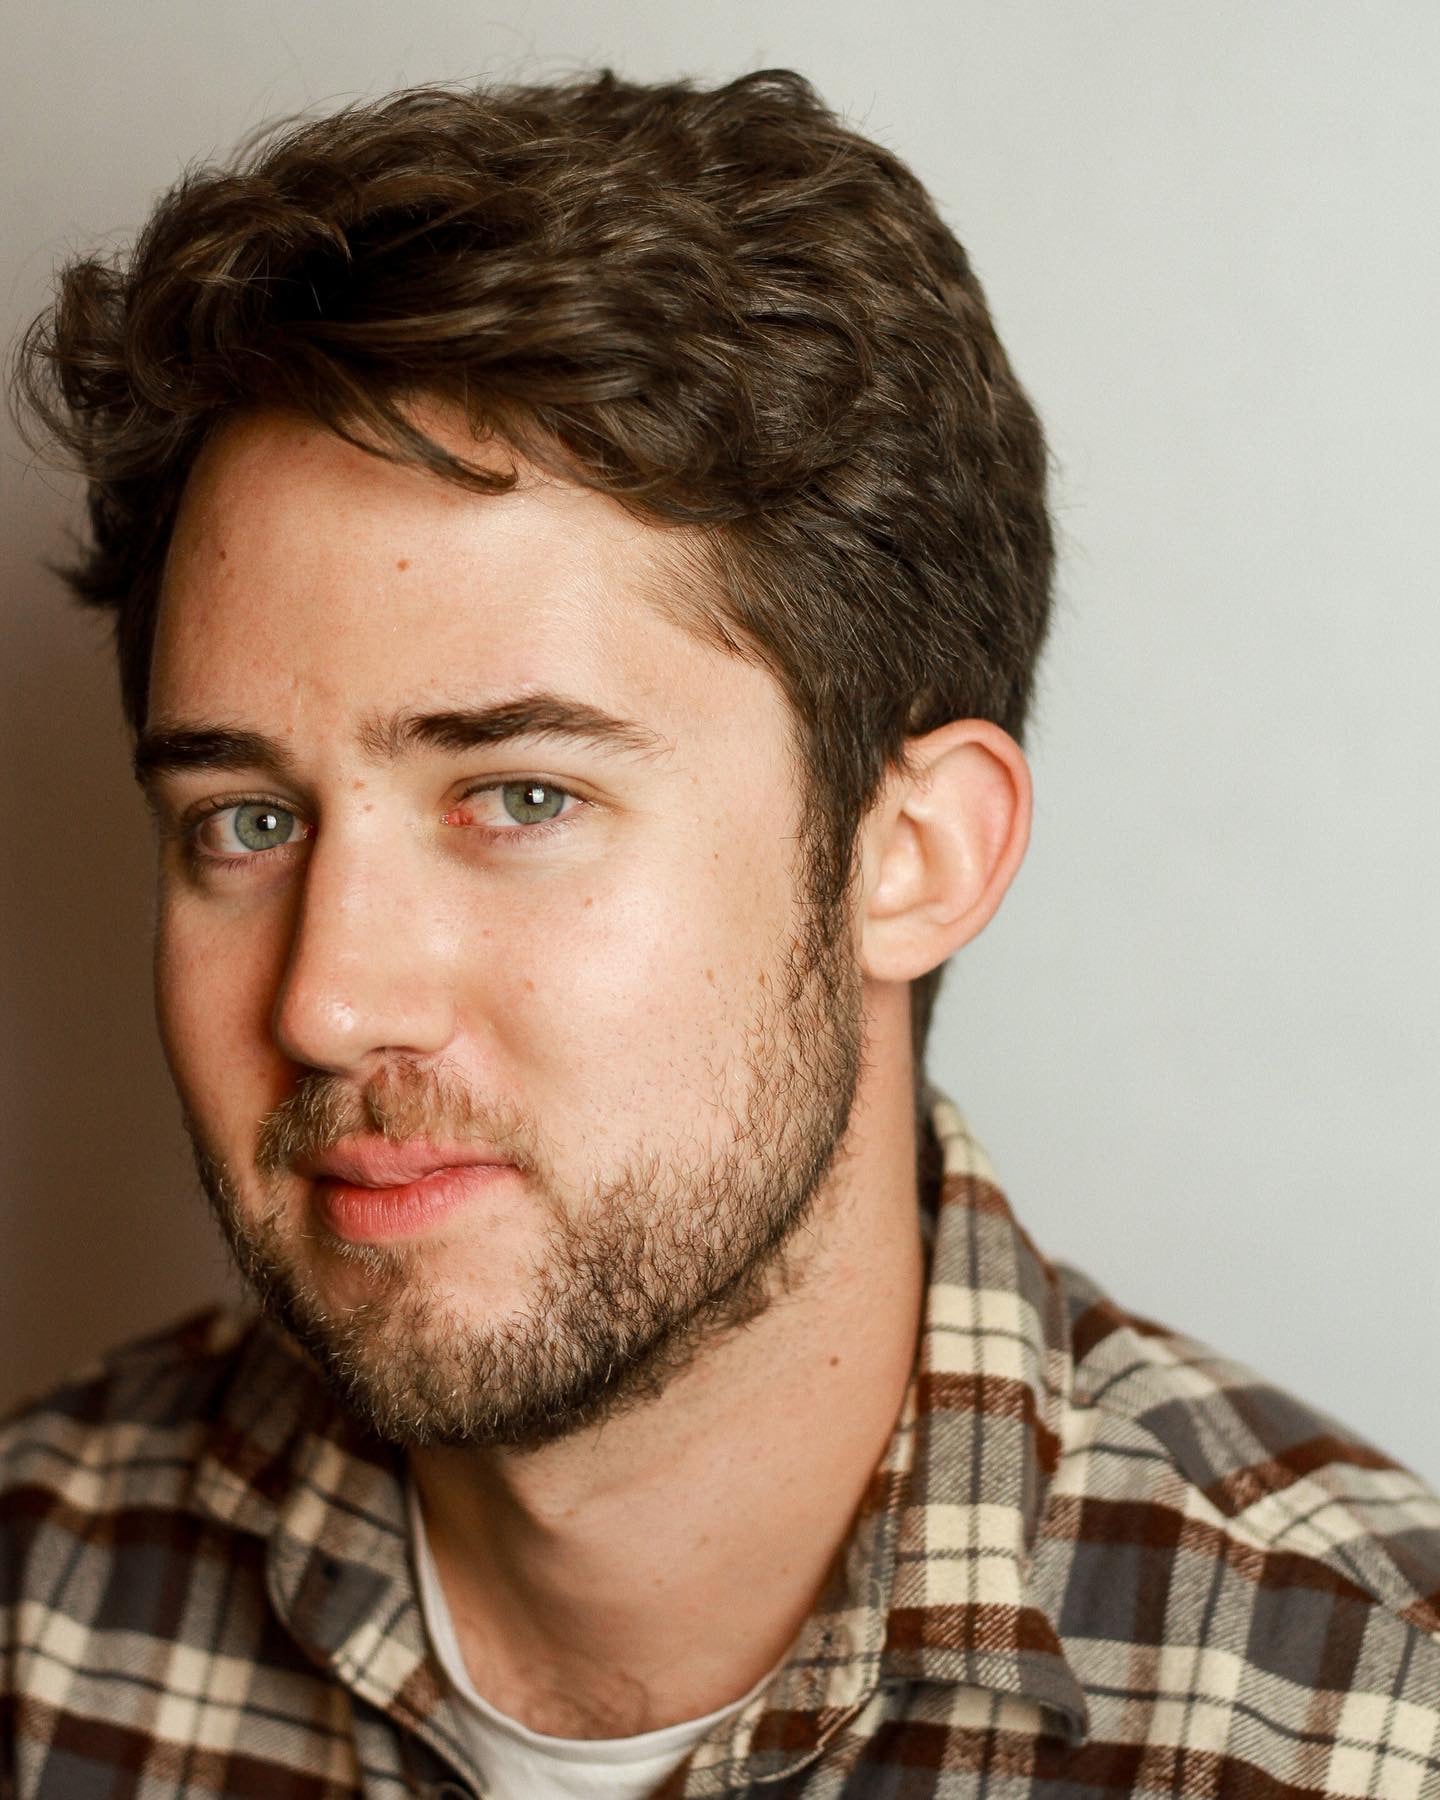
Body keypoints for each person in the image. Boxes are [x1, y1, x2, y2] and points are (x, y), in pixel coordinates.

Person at [3, 67, 1436, 1800]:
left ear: (913, 857)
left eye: (520, 797)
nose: (327, 999)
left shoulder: (1365, 1721)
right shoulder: (35, 1613)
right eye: (246, 821)